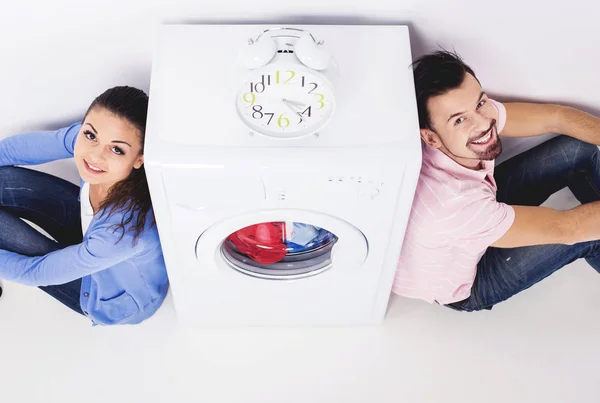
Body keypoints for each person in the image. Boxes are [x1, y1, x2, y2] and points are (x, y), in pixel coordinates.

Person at [393, 50, 600, 311]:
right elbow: (569, 229)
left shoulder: (449, 130)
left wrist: (470, 114)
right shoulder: (454, 203)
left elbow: (555, 117)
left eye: (480, 104)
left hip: (476, 215)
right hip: (468, 283)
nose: (483, 124)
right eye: (460, 120)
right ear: (430, 138)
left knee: (577, 149)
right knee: (590, 235)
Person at [0, 86, 168, 325]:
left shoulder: (122, 232)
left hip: (103, 292)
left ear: (139, 159)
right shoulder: (89, 143)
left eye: (117, 149)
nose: (95, 156)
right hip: (89, 235)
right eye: (90, 135)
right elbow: (12, 151)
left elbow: (33, 272)